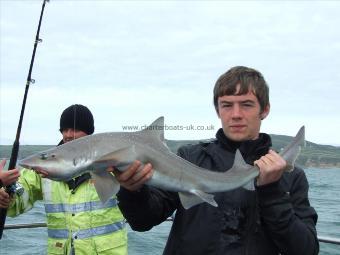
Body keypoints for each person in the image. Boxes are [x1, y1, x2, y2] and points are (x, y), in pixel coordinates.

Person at [113, 66, 319, 255]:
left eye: (246, 105)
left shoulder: (291, 176)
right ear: (218, 110)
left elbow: (305, 249)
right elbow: (142, 221)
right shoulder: (190, 158)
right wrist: (133, 191)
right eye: (227, 105)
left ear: (264, 110)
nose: (236, 115)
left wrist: (272, 192)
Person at [0, 104, 127, 255]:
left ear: (89, 133)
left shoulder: (113, 165)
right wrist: (5, 194)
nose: (68, 134)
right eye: (64, 130)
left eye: (75, 129)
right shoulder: (43, 168)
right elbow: (21, 199)